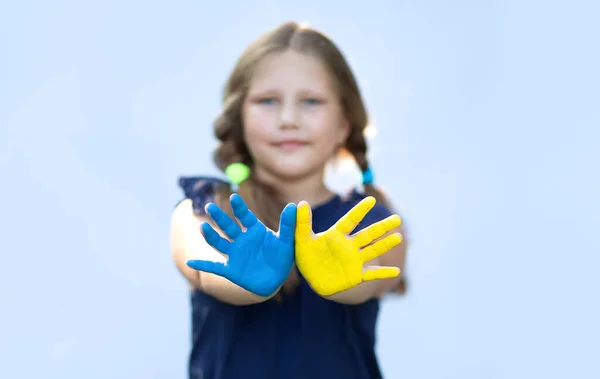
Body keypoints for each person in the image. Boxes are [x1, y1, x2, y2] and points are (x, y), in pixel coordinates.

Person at [170, 21, 407, 379]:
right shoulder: (204, 210)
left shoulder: (372, 219)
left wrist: (347, 280)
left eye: (311, 101)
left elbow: (377, 276)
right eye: (268, 101)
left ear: (344, 123)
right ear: (239, 119)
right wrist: (240, 279)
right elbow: (201, 262)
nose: (288, 119)